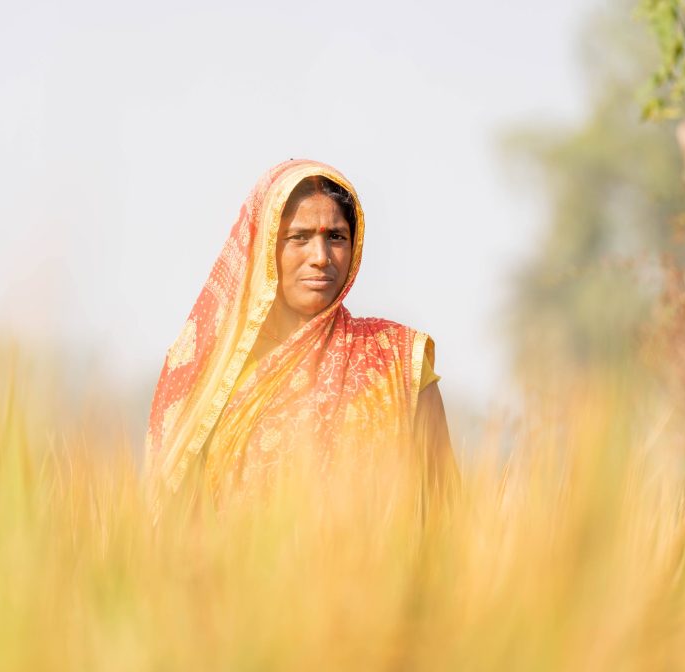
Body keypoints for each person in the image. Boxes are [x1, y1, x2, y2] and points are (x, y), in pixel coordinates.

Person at [146, 159, 457, 514]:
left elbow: (443, 509)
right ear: (263, 248)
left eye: (336, 237)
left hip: (370, 570)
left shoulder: (400, 361)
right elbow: (175, 523)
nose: (321, 258)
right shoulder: (210, 374)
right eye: (299, 238)